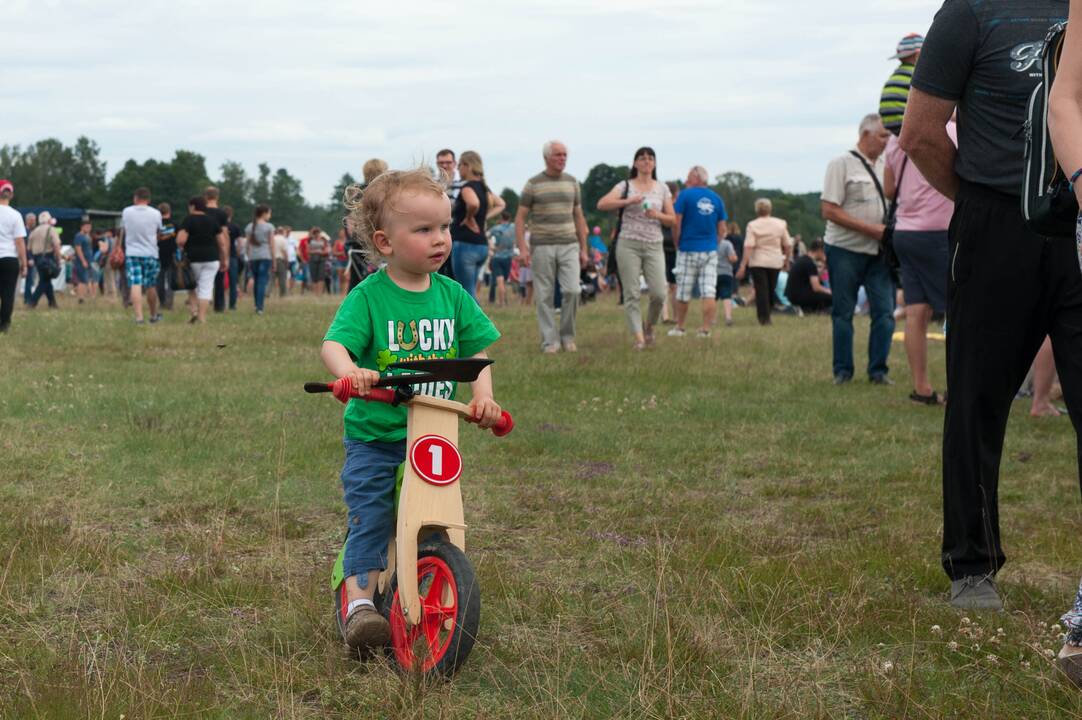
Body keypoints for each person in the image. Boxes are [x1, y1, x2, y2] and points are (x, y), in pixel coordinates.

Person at [901, 0, 1070, 612]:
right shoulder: (973, 10)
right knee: (975, 399)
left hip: (1079, 226)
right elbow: (920, 133)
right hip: (996, 225)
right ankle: (972, 567)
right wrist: (979, 200)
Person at [322, 168, 502, 650]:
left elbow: (476, 353)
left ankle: (425, 579)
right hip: (377, 437)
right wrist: (350, 373)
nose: (440, 239)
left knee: (437, 517)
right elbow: (335, 345)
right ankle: (359, 603)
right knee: (374, 514)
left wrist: (482, 395)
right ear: (385, 242)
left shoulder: (453, 296)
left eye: (444, 227)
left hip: (434, 434)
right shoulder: (369, 297)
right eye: (423, 230)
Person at [885, 117, 955, 405]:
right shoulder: (952, 130)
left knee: (916, 312)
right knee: (957, 310)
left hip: (905, 232)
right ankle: (960, 388)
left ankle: (921, 388)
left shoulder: (895, 138)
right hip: (938, 231)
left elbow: (889, 190)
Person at [821, 114, 895, 385]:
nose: (888, 141)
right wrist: (872, 229)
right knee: (843, 311)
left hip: (879, 253)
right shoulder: (841, 164)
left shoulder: (888, 163)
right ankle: (843, 371)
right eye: (883, 136)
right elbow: (829, 210)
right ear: (865, 135)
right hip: (845, 249)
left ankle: (878, 371)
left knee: (885, 313)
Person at [597, 146, 675, 349]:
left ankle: (649, 326)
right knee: (632, 293)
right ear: (635, 163)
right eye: (642, 158)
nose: (646, 161)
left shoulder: (662, 188)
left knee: (659, 293)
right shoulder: (625, 185)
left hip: (654, 244)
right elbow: (602, 204)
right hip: (628, 243)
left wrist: (657, 215)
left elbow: (672, 220)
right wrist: (628, 200)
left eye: (650, 158)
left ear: (655, 163)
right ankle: (639, 339)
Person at [515, 140, 589, 353]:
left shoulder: (573, 182)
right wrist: (523, 249)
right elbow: (520, 218)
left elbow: (579, 215)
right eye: (558, 155)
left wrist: (584, 249)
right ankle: (550, 341)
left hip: (569, 243)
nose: (562, 158)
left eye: (565, 154)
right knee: (544, 294)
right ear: (546, 157)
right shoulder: (533, 184)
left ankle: (567, 336)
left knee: (573, 290)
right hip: (542, 245)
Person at [670, 165, 727, 338]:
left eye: (688, 178)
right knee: (709, 290)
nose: (686, 181)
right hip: (709, 250)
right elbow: (722, 229)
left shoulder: (684, 195)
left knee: (683, 290)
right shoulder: (717, 199)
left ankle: (679, 327)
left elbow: (676, 222)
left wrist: (676, 243)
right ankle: (706, 329)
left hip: (688, 248)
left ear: (696, 178)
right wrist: (713, 243)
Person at [451, 151, 506, 301]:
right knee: (471, 289)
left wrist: (469, 217)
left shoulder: (467, 187)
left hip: (465, 244)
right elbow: (501, 204)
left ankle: (476, 324)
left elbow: (473, 203)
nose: (458, 169)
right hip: (481, 245)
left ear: (467, 166)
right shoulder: (485, 188)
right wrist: (482, 217)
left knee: (467, 293)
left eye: (460, 165)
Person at [735, 198, 792, 326]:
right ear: (770, 209)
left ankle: (764, 318)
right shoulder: (780, 224)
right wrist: (787, 260)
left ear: (757, 210)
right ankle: (767, 315)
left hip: (758, 262)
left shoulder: (752, 225)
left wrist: (743, 265)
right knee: (771, 289)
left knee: (761, 290)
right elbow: (788, 244)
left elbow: (749, 245)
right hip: (775, 261)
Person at [176, 195, 227, 324]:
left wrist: (180, 245)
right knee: (206, 288)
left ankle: (194, 311)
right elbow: (222, 242)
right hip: (212, 259)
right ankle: (202, 317)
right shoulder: (213, 220)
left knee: (192, 285)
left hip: (193, 259)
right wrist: (224, 259)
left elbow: (181, 240)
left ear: (193, 206)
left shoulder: (188, 220)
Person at [118, 188, 164, 323]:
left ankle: (139, 317)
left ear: (135, 198)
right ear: (148, 199)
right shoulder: (156, 213)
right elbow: (159, 232)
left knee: (135, 284)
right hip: (151, 252)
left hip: (132, 252)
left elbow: (123, 230)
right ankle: (153, 315)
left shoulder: (127, 212)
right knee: (151, 285)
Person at [879, 33, 923, 136]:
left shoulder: (896, 76)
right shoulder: (917, 75)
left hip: (890, 126)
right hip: (908, 124)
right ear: (917, 56)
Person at [0, 180, 28, 333]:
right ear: (11, 194)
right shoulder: (15, 215)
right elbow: (19, 242)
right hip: (9, 259)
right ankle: (4, 324)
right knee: (8, 293)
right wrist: (24, 264)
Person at [785, 239, 832, 313]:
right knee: (832, 298)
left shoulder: (803, 260)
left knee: (823, 289)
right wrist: (830, 292)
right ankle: (812, 310)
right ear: (820, 250)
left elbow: (816, 278)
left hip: (792, 294)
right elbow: (816, 287)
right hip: (799, 296)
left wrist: (824, 266)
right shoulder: (810, 264)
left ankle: (809, 309)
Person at [244, 204, 274, 314]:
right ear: (264, 213)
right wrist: (274, 259)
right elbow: (271, 244)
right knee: (262, 281)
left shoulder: (249, 227)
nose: (270, 216)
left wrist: (248, 256)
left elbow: (247, 244)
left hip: (253, 257)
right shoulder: (269, 227)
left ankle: (257, 305)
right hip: (265, 256)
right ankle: (260, 307)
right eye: (269, 213)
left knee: (256, 280)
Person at [488, 211, 515, 306]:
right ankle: (504, 301)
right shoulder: (513, 228)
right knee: (504, 281)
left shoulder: (496, 228)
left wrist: (492, 247)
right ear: (509, 218)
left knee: (499, 280)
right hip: (508, 257)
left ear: (501, 218)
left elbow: (486, 236)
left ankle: (501, 302)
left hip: (497, 256)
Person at [157, 203, 177, 311]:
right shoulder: (175, 225)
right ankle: (169, 304)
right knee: (170, 281)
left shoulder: (156, 225)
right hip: (172, 255)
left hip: (158, 255)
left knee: (159, 280)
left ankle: (161, 302)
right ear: (169, 211)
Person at [715, 234, 739, 326]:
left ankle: (712, 318)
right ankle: (728, 317)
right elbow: (732, 258)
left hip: (713, 273)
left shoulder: (710, 244)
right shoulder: (727, 244)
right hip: (726, 273)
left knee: (713, 297)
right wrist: (736, 258)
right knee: (726, 296)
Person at [71, 219, 95, 303]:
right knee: (82, 280)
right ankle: (80, 298)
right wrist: (83, 261)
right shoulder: (79, 236)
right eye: (87, 227)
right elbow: (78, 249)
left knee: (87, 280)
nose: (88, 229)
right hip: (81, 262)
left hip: (88, 261)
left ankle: (84, 296)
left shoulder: (87, 236)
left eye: (90, 227)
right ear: (82, 227)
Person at [307, 227, 329, 296]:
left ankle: (319, 293)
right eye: (315, 233)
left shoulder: (323, 240)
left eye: (317, 232)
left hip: (321, 259)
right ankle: (315, 293)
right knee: (314, 276)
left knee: (321, 276)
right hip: (313, 259)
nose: (316, 234)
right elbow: (308, 251)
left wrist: (319, 252)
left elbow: (326, 250)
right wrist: (316, 251)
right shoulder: (310, 240)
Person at [21, 212, 36, 306]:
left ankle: (28, 297)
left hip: (28, 258)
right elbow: (26, 247)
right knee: (29, 280)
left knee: (30, 280)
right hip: (27, 259)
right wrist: (29, 258)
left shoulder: (30, 231)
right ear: (28, 220)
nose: (35, 222)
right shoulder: (25, 231)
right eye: (33, 220)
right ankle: (27, 299)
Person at [333, 228, 348, 294]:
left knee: (346, 278)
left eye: (343, 232)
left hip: (347, 261)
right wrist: (341, 253)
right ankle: (338, 292)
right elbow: (333, 252)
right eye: (341, 232)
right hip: (339, 261)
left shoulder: (348, 241)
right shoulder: (337, 242)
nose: (342, 234)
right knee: (340, 278)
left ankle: (344, 293)